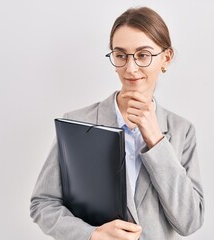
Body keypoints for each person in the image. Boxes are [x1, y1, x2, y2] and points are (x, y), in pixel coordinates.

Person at [30, 6, 204, 240]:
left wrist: (156, 140)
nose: (130, 69)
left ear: (166, 58)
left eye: (143, 55)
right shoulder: (77, 123)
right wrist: (91, 234)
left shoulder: (182, 131)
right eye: (121, 55)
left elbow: (190, 221)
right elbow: (43, 203)